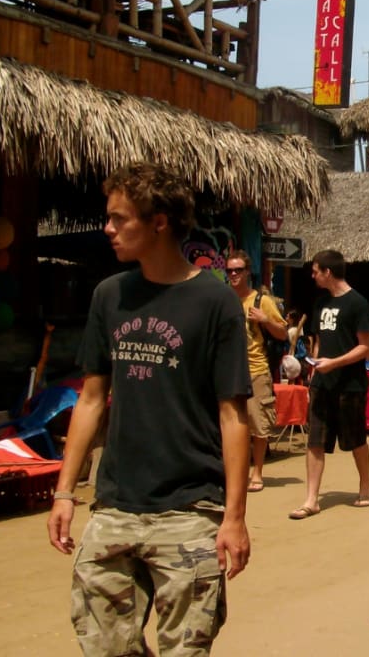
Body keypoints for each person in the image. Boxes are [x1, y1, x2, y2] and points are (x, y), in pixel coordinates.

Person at [46, 163, 251, 655]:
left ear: (159, 222)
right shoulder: (110, 295)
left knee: (186, 648)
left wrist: (234, 517)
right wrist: (65, 492)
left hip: (190, 509)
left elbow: (233, 416)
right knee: (103, 645)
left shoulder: (216, 301)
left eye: (119, 218)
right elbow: (91, 399)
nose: (108, 228)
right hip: (115, 504)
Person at [288, 250, 369, 519]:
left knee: (356, 440)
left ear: (328, 272)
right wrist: (314, 368)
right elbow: (318, 342)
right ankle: (311, 499)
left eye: (315, 271)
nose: (313, 276)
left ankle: (365, 484)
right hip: (322, 383)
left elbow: (365, 347)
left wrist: (334, 363)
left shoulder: (358, 303)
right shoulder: (320, 302)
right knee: (315, 441)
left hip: (351, 385)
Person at [225, 250, 287, 492]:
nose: (233, 274)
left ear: (247, 272)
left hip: (256, 369)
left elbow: (283, 333)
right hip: (228, 370)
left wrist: (265, 320)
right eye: (230, 270)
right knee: (229, 423)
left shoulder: (262, 301)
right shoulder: (224, 299)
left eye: (238, 270)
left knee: (258, 424)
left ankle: (257, 472)